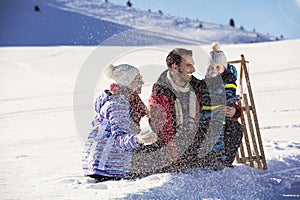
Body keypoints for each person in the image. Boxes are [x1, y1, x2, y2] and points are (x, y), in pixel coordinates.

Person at [81, 64, 157, 182]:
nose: (142, 82)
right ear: (128, 82)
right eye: (138, 79)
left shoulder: (125, 100)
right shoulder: (118, 104)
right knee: (162, 160)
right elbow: (119, 138)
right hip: (107, 166)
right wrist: (139, 139)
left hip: (101, 163)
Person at [194, 42, 243, 169]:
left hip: (223, 120)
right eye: (211, 67)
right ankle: (204, 159)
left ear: (224, 68)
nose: (214, 70)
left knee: (233, 129)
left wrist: (234, 111)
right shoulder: (204, 85)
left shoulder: (229, 83)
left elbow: (232, 101)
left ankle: (223, 161)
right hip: (204, 119)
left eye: (218, 67)